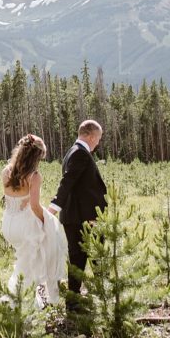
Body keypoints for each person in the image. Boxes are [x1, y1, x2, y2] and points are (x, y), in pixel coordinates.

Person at [1, 133, 68, 305]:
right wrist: (46, 221)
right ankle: (23, 302)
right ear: (36, 157)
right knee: (39, 253)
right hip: (24, 227)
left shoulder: (6, 171)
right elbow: (34, 206)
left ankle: (20, 297)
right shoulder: (34, 176)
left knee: (24, 261)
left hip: (8, 224)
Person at [48, 119, 106, 309]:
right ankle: (98, 297)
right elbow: (67, 182)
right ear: (91, 136)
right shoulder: (80, 153)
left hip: (77, 215)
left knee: (78, 258)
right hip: (85, 217)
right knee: (93, 256)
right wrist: (53, 207)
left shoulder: (72, 152)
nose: (98, 142)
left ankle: (76, 299)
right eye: (98, 138)